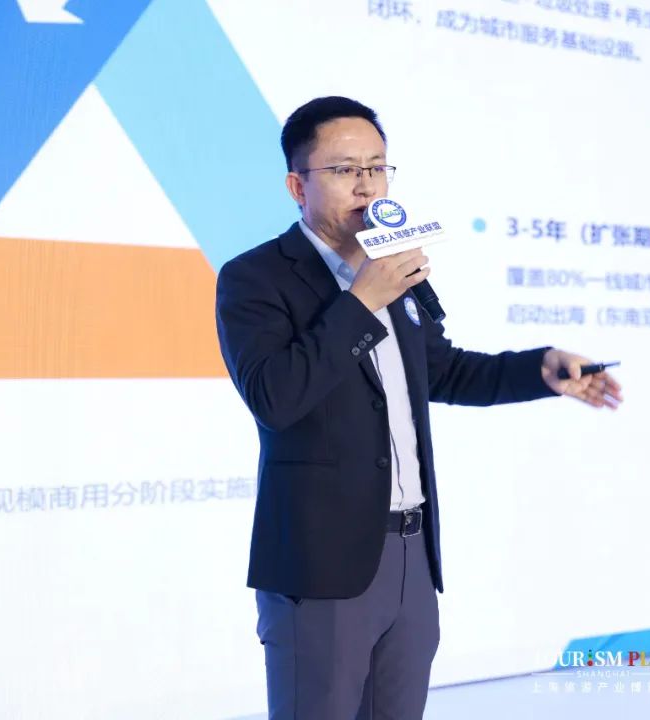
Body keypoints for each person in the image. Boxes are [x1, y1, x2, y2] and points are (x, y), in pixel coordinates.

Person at [214, 96, 622, 720]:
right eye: (345, 169)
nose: (366, 184)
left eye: (377, 167)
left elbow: (443, 369)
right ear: (297, 186)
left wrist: (539, 368)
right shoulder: (256, 278)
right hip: (321, 567)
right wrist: (361, 300)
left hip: (410, 555)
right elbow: (276, 396)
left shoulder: (392, 272)